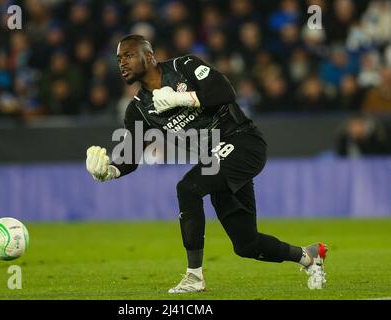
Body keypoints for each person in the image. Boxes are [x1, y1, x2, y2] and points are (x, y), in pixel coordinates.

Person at [86, 34, 327, 293]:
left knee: (188, 188)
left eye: (128, 55)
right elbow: (130, 158)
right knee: (246, 245)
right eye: (119, 58)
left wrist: (183, 98)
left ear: (149, 56)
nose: (122, 63)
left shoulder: (184, 66)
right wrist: (108, 171)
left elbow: (225, 92)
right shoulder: (139, 110)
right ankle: (309, 257)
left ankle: (194, 276)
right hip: (215, 161)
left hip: (243, 142)